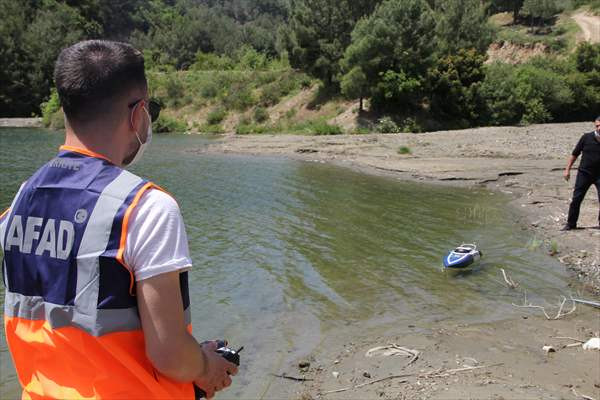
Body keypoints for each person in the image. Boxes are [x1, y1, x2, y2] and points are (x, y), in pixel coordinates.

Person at [0, 40, 237, 399]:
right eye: (150, 111)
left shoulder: (19, 202)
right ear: (138, 114)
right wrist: (206, 367)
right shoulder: (146, 209)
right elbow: (170, 354)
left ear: (66, 108)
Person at [562, 116, 600, 230]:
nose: (599, 128)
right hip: (584, 173)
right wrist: (567, 169)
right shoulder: (586, 137)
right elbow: (575, 154)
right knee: (576, 199)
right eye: (597, 125)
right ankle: (571, 224)